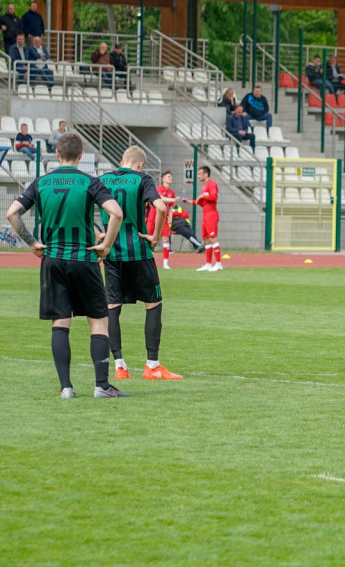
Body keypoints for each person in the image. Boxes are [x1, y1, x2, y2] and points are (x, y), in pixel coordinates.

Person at [5, 132, 126, 398]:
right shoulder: (89, 182)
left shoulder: (41, 182)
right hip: (83, 259)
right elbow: (116, 212)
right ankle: (101, 386)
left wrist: (31, 243)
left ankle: (66, 388)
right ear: (81, 156)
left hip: (52, 259)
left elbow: (11, 212)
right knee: (98, 321)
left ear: (57, 155)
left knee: (60, 321)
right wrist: (106, 245)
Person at [99, 146, 182, 381]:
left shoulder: (103, 179)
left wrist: (98, 234)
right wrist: (155, 236)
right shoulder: (142, 179)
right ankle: (152, 365)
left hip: (112, 254)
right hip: (139, 252)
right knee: (153, 303)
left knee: (113, 307)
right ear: (140, 164)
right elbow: (161, 207)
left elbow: (84, 208)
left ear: (122, 160)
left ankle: (120, 366)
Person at [183, 166, 222, 272]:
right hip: (205, 214)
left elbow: (213, 197)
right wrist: (190, 201)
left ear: (206, 174)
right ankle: (208, 264)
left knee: (213, 238)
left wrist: (203, 196)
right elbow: (203, 202)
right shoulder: (204, 186)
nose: (198, 176)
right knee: (206, 239)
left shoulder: (212, 184)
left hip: (211, 214)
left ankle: (218, 264)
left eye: (200, 174)